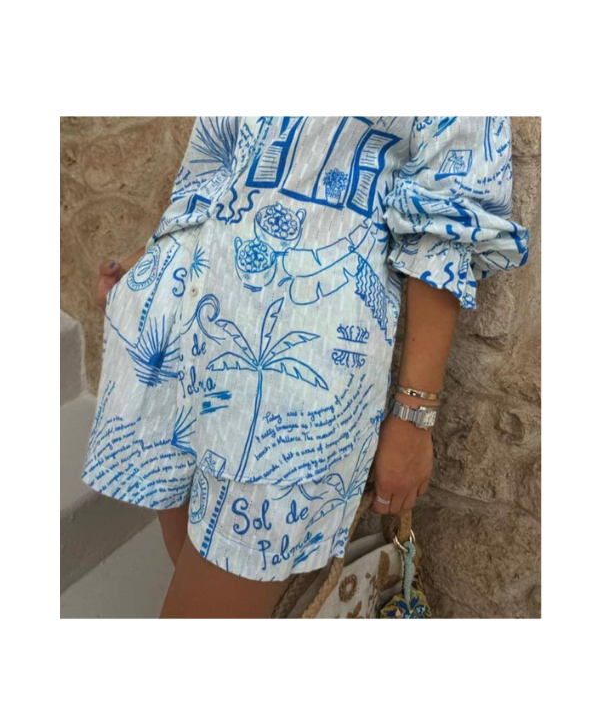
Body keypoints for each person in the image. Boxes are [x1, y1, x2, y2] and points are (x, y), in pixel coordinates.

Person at [82, 116, 529, 618]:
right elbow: (221, 173)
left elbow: (444, 233)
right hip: (177, 338)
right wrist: (147, 267)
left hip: (288, 386)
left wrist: (414, 416)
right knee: (196, 572)